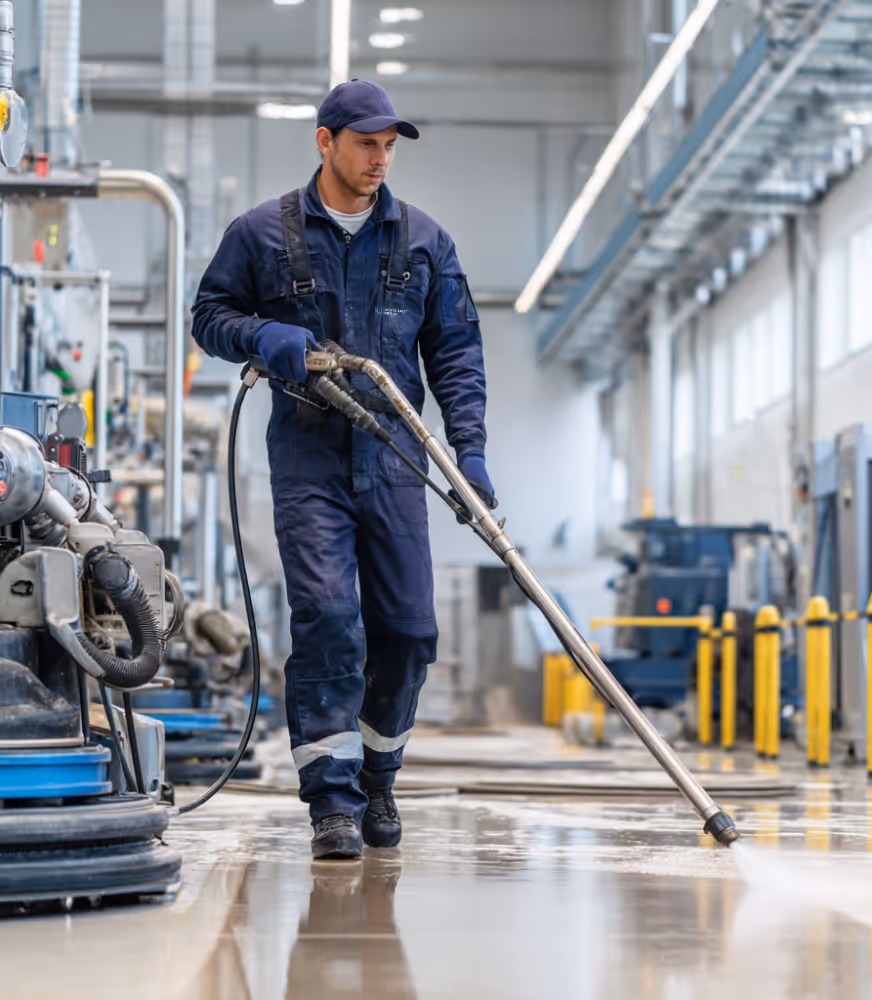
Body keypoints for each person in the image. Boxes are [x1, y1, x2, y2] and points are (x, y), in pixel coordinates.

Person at [192, 80, 492, 859]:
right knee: (327, 618)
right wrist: (266, 338)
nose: (379, 159)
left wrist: (472, 452)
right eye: (365, 143)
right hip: (309, 459)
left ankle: (380, 777)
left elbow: (456, 353)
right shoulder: (261, 234)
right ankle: (330, 799)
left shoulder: (424, 240)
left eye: (389, 145)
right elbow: (209, 318)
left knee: (410, 631)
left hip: (395, 456)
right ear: (324, 142)